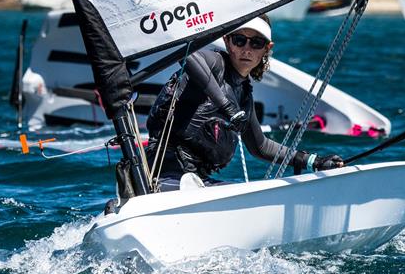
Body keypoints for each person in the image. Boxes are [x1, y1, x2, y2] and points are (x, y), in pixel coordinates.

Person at [145, 14, 344, 191]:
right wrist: (227, 107)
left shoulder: (244, 96)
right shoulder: (215, 64)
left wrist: (312, 161)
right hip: (163, 176)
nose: (247, 50)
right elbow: (186, 54)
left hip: (196, 181)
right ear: (227, 41)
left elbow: (261, 147)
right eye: (240, 40)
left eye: (256, 43)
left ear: (267, 48)